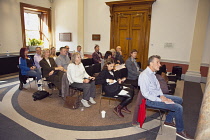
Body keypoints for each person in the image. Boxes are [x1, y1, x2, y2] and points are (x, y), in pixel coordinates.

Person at [138, 55, 193, 139]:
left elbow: (158, 87)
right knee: (179, 108)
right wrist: (160, 99)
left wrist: (162, 96)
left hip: (157, 96)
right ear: (151, 63)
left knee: (179, 100)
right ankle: (180, 130)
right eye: (158, 62)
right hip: (150, 100)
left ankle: (168, 121)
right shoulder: (144, 75)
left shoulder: (152, 74)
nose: (160, 65)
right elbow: (146, 94)